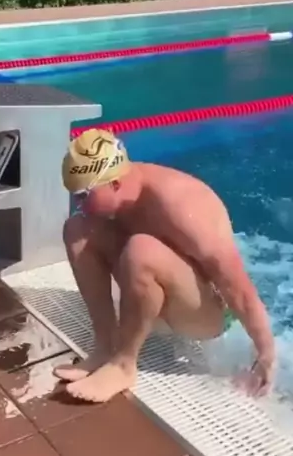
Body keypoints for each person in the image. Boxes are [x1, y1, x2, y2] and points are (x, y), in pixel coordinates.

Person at [54, 128, 275, 403]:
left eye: (83, 195)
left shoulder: (179, 205)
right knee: (77, 230)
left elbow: (238, 288)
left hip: (206, 313)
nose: (79, 204)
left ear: (115, 184)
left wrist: (266, 353)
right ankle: (105, 347)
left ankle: (124, 365)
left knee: (142, 249)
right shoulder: (120, 191)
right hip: (159, 291)